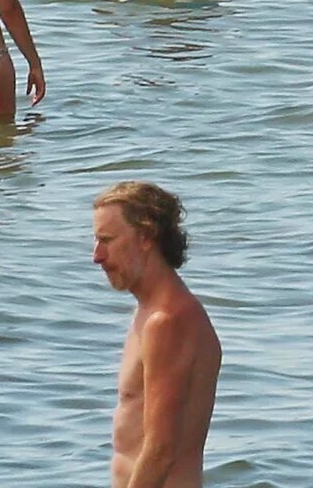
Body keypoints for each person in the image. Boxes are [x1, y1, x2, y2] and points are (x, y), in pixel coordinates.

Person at [96, 181, 222, 488]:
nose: (97, 256)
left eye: (107, 240)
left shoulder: (167, 322)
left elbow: (161, 450)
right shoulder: (153, 312)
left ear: (145, 238)